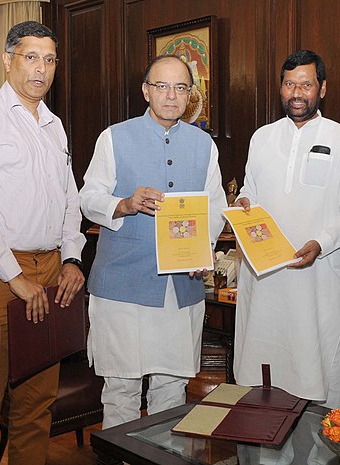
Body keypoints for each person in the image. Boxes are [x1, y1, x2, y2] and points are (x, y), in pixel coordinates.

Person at [0, 21, 85, 465]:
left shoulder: (54, 125)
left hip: (49, 269)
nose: (41, 69)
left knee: (36, 397)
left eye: (49, 60)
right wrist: (16, 276)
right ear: (7, 60)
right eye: (30, 57)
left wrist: (73, 258)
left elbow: (69, 199)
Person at [233, 50, 340, 462]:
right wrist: (243, 202)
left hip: (317, 280)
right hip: (266, 279)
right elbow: (250, 193)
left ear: (322, 89)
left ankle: (320, 456)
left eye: (306, 84)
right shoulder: (262, 137)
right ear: (281, 87)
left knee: (319, 371)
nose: (297, 93)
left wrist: (321, 242)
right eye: (290, 83)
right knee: (264, 374)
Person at [79, 55, 226, 429]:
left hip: (180, 290)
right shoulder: (114, 137)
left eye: (181, 87)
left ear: (190, 94)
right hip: (121, 287)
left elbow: (214, 207)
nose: (172, 96)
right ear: (146, 91)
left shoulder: (204, 145)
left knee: (171, 389)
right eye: (162, 86)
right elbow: (88, 198)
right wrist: (125, 203)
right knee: (121, 389)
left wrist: (204, 247)